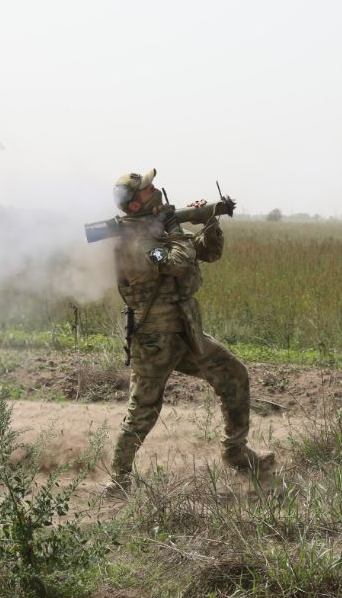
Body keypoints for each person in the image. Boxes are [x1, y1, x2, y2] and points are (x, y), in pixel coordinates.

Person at [106, 168, 273, 494]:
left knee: (233, 374)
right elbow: (177, 261)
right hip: (154, 337)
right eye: (146, 189)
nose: (153, 189)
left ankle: (236, 453)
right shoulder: (135, 242)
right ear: (135, 205)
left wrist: (209, 221)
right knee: (144, 409)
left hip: (184, 329)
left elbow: (207, 252)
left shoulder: (154, 230)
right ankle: (118, 480)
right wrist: (175, 227)